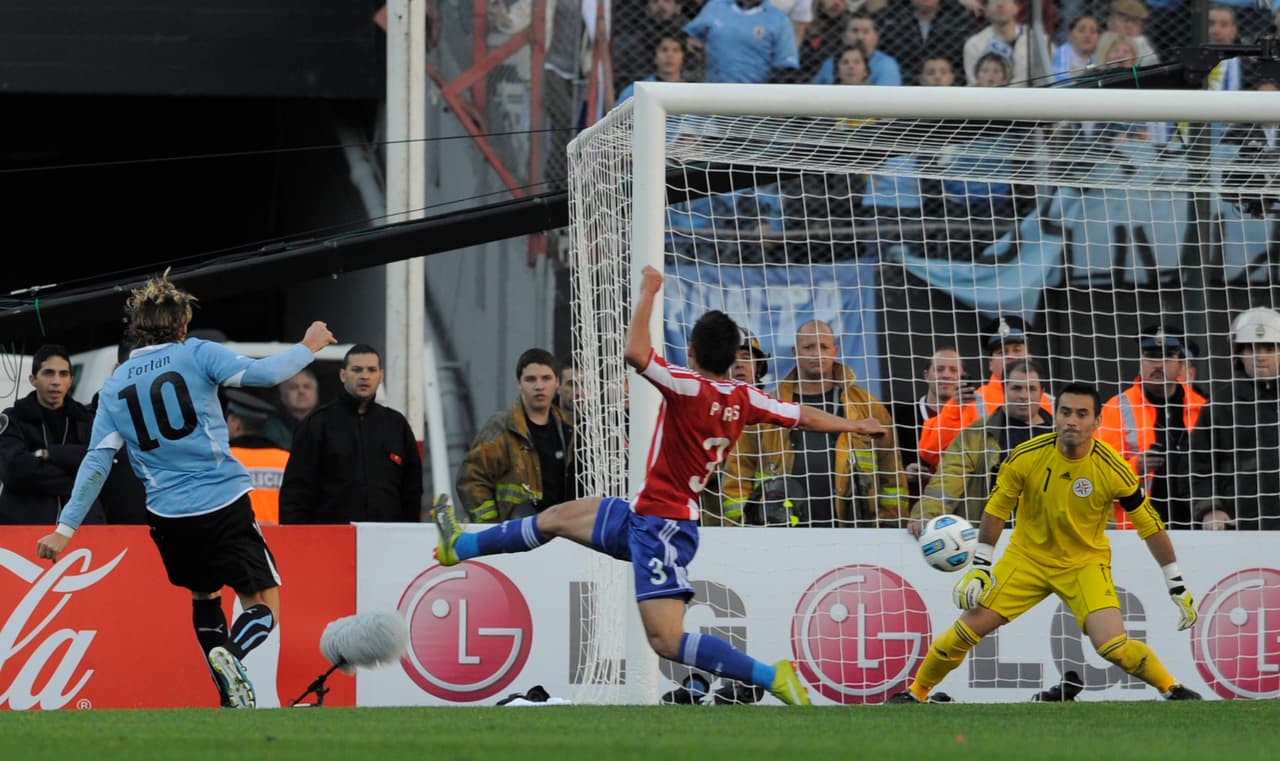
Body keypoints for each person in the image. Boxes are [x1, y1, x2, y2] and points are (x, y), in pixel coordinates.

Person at [432, 264, 890, 706]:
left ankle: (772, 676)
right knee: (552, 518)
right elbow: (803, 416)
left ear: (691, 352)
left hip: (665, 526)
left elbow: (635, 353)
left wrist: (649, 289)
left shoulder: (687, 386)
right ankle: (462, 545)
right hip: (640, 512)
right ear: (733, 359)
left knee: (666, 641)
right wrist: (854, 426)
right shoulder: (746, 396)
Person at [34, 271, 337, 709]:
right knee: (263, 604)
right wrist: (309, 345)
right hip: (221, 499)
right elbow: (266, 374)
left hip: (166, 514)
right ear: (182, 325)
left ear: (138, 328)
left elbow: (97, 461)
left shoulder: (116, 384)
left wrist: (65, 528)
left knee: (204, 595)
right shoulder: (195, 353)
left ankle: (229, 696)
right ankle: (230, 657)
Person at [887, 382, 1202, 704]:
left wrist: (1175, 582)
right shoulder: (1027, 456)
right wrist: (981, 567)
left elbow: (1149, 524)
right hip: (1027, 560)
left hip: (1084, 564)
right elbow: (996, 509)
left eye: (1082, 414)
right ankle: (916, 693)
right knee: (967, 630)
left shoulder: (1113, 468)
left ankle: (1172, 689)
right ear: (1055, 416)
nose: (1072, 421)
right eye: (1065, 412)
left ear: (1097, 422)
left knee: (1112, 646)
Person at [279, 344, 423, 524]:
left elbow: (412, 490)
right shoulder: (317, 424)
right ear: (343, 375)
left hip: (387, 539)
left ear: (381, 376)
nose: (364, 376)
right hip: (331, 539)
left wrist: (408, 535)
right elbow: (296, 491)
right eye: (356, 370)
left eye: (371, 370)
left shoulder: (396, 425)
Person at [908, 359, 1053, 536]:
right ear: (1004, 390)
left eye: (1031, 389)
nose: (1024, 395)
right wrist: (926, 514)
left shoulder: (1061, 438)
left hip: (1048, 539)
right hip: (989, 536)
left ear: (1042, 393)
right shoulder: (976, 434)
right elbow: (949, 478)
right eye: (1017, 388)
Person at [1098, 326, 1205, 529]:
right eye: (1151, 357)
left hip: (1196, 527)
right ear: (1140, 362)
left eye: (1166, 358)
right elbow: (1097, 474)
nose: (1158, 365)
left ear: (1181, 364)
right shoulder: (1116, 408)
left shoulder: (1202, 407)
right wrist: (1135, 468)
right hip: (1137, 530)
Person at [456, 348, 577, 523]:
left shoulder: (569, 428)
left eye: (546, 378)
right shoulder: (502, 426)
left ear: (557, 383)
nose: (539, 386)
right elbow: (471, 480)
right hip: (516, 538)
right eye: (530, 379)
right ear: (518, 383)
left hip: (562, 533)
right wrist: (492, 527)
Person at [917, 316, 1053, 468]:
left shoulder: (1051, 402)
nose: (1010, 356)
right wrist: (954, 409)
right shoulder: (971, 401)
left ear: (1029, 357)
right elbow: (930, 452)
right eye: (1002, 352)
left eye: (1017, 350)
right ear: (990, 364)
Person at [1190, 307, 1280, 530]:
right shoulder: (1220, 405)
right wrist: (1210, 508)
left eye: (1269, 348)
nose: (1260, 356)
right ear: (1238, 353)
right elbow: (1198, 467)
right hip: (1240, 527)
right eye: (1250, 348)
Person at [0, 344, 108, 526]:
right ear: (33, 379)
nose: (56, 381)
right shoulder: (14, 418)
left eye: (63, 374)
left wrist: (48, 454)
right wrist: (76, 476)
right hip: (25, 530)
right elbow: (13, 471)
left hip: (83, 531)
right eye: (48, 373)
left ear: (71, 380)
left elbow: (100, 465)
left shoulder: (84, 419)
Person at [89, 339, 148, 525]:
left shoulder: (173, 420)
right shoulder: (89, 421)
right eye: (134, 369)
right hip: (112, 539)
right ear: (116, 370)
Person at [893, 348, 965, 498]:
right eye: (939, 369)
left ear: (962, 377)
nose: (946, 375)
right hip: (912, 507)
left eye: (953, 370)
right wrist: (903, 472)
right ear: (926, 375)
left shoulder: (972, 417)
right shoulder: (899, 416)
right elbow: (884, 464)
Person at [683, 0, 799, 84]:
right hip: (713, 94)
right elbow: (687, 39)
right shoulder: (716, 6)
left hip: (755, 101)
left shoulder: (779, 19)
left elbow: (786, 67)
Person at [225, 389, 291, 525]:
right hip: (280, 542)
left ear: (235, 424)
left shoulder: (223, 461)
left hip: (236, 541)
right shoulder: (287, 460)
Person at [811, 12, 903, 86]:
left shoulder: (886, 65)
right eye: (854, 31)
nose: (860, 37)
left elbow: (885, 101)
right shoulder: (830, 63)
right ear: (844, 37)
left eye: (865, 31)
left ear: (875, 38)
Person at [263, 368, 318, 451]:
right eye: (294, 387)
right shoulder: (273, 425)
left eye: (307, 387)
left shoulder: (328, 421)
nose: (301, 391)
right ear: (283, 397)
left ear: (316, 394)